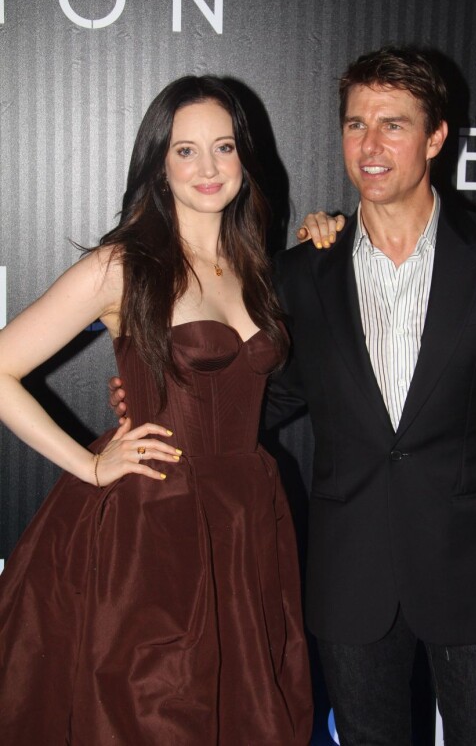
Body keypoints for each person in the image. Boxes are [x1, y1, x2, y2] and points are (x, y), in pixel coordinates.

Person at [111, 47, 476, 746]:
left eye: (394, 125)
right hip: (349, 575)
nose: (371, 144)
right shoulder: (301, 274)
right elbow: (264, 399)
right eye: (356, 125)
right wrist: (166, 402)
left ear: (437, 137)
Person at [0, 76, 312, 745]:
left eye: (223, 148)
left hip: (246, 516)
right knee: (153, 713)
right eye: (186, 151)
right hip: (154, 529)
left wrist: (329, 232)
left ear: (244, 159)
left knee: (245, 710)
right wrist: (89, 464)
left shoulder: (255, 263)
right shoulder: (123, 265)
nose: (208, 168)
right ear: (158, 165)